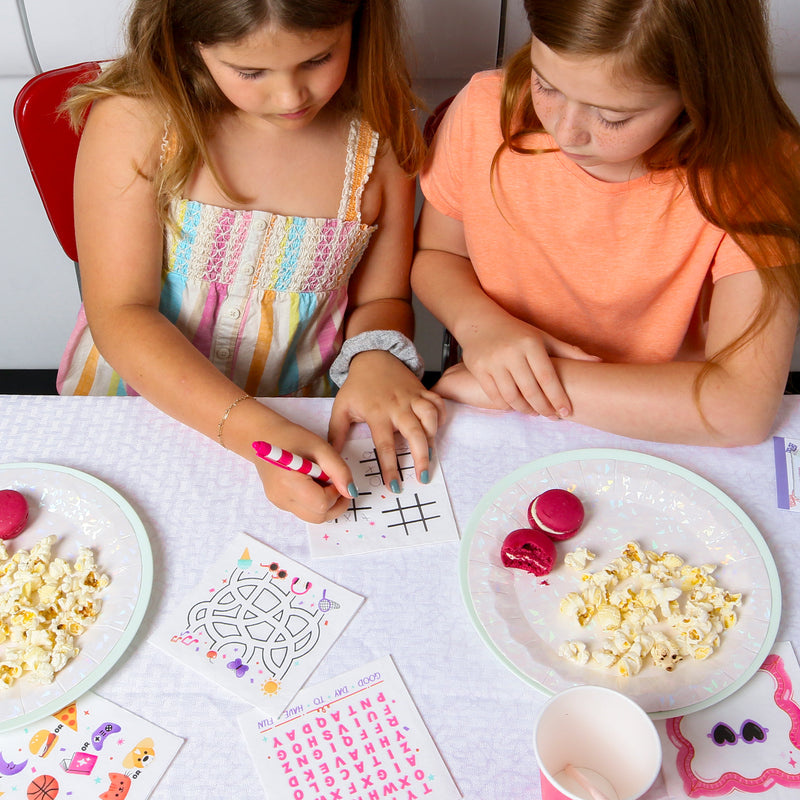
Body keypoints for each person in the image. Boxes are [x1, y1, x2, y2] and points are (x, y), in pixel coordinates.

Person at [57, 0, 445, 522]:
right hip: (139, 403)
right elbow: (121, 311)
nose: (290, 95)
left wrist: (376, 358)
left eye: (317, 59)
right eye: (251, 71)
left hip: (297, 413)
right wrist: (255, 433)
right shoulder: (136, 121)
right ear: (188, 41)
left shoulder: (382, 140)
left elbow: (384, 298)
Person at [412, 0, 800, 446]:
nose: (566, 131)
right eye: (546, 84)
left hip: (664, 426)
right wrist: (481, 326)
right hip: (497, 410)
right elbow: (438, 255)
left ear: (701, 91)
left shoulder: (760, 170)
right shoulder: (484, 106)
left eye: (612, 117)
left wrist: (526, 385)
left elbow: (740, 409)